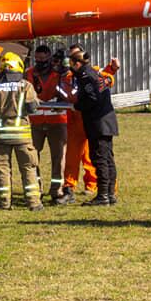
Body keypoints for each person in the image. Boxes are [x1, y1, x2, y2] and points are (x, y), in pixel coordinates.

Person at [0, 52, 42, 211]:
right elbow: (32, 107)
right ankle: (34, 203)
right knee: (28, 168)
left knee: (2, 169)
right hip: (22, 136)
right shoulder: (26, 86)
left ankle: (4, 202)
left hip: (1, 136)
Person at [68, 50, 120, 205]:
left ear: (77, 63)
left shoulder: (86, 77)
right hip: (106, 121)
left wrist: (76, 106)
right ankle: (109, 194)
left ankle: (103, 195)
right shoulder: (95, 74)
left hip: (98, 123)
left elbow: (92, 99)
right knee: (108, 159)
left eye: (71, 64)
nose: (70, 68)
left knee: (100, 159)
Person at [24, 45, 67, 203]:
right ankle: (36, 188)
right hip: (35, 121)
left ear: (50, 58)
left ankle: (57, 190)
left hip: (57, 120)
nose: (41, 62)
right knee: (33, 157)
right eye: (38, 59)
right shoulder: (29, 73)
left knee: (59, 156)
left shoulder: (59, 73)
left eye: (44, 59)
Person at [57, 43, 98, 204]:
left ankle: (94, 185)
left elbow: (106, 80)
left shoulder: (92, 72)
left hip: (88, 119)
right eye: (71, 57)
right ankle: (69, 187)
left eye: (77, 56)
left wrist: (112, 69)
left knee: (92, 156)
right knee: (71, 157)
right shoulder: (66, 77)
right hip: (73, 121)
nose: (74, 60)